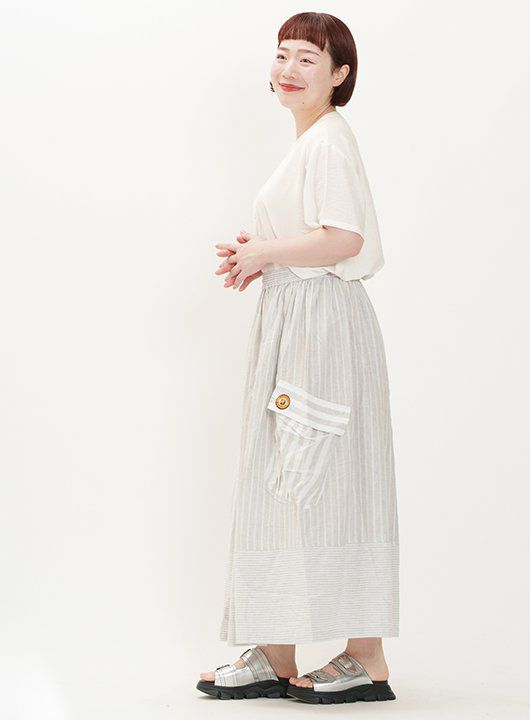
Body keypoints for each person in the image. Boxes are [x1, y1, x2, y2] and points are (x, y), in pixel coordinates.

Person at [196, 12, 400, 704]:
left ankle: (365, 657)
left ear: (340, 74)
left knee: (326, 478)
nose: (289, 68)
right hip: (299, 322)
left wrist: (266, 252)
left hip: (322, 331)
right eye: (282, 54)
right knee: (285, 476)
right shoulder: (310, 143)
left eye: (308, 58)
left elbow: (344, 239)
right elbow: (315, 235)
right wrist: (262, 256)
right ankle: (278, 646)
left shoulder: (329, 142)